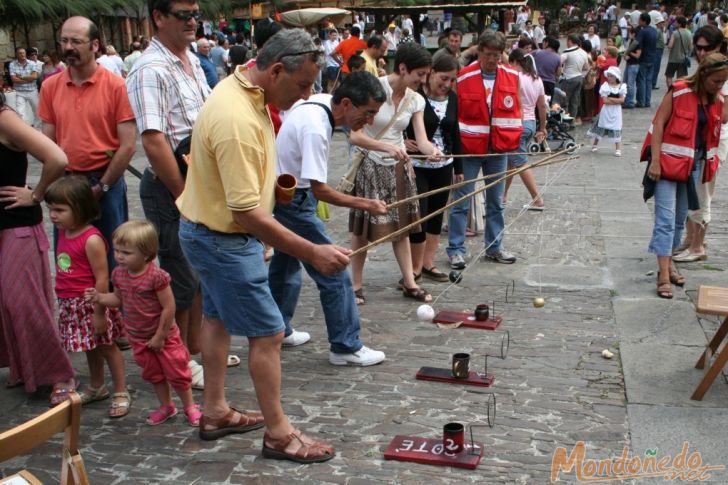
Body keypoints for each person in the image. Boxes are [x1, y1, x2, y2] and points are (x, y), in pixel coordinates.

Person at [177, 28, 344, 462]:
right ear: (274, 70)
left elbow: (241, 189)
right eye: (304, 85)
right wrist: (312, 251)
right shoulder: (236, 117)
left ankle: (214, 410)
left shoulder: (240, 88)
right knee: (269, 332)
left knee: (216, 318)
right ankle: (279, 434)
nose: (308, 94)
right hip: (222, 240)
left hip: (206, 232)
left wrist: (271, 189)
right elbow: (246, 215)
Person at [269, 71, 387, 364]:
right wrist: (367, 204)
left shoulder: (322, 102)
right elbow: (321, 191)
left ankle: (276, 329)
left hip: (290, 196)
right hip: (294, 201)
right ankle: (345, 346)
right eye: (368, 112)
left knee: (285, 266)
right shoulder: (316, 128)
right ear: (346, 103)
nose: (369, 121)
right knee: (333, 268)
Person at [126, 0, 213, 390]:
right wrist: (182, 196)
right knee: (178, 277)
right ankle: (176, 356)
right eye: (185, 15)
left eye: (196, 14)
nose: (193, 22)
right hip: (170, 187)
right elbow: (154, 140)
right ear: (159, 18)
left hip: (193, 181)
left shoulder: (190, 59)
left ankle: (194, 348)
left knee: (195, 275)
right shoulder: (150, 68)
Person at [40, 16, 137, 278]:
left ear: (95, 45)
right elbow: (47, 142)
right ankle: (75, 312)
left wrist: (102, 185)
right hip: (67, 183)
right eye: (64, 40)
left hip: (105, 182)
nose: (68, 47)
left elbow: (127, 146)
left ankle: (114, 315)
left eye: (76, 41)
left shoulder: (116, 86)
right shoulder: (50, 87)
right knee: (68, 259)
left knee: (114, 257)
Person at [349, 42, 442, 304]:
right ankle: (355, 284)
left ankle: (410, 282)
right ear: (402, 68)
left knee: (403, 228)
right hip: (371, 164)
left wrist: (431, 151)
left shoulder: (416, 99)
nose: (423, 80)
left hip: (399, 168)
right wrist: (385, 147)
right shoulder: (373, 88)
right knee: (362, 231)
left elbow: (421, 140)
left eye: (426, 74)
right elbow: (355, 135)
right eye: (419, 74)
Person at [85, 221, 202, 427]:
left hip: (163, 337)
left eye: (127, 252)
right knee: (154, 374)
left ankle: (189, 406)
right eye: (117, 251)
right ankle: (166, 406)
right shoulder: (119, 274)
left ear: (147, 254)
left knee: (177, 372)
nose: (120, 256)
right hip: (139, 337)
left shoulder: (156, 277)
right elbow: (118, 299)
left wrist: (160, 336)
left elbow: (169, 308)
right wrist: (100, 298)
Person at [0, 92, 77, 405]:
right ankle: (24, 368)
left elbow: (57, 158)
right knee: (5, 303)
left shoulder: (5, 118)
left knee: (22, 301)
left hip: (16, 224)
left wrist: (36, 194)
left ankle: (60, 373)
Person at [642, 53, 728, 298]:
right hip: (668, 164)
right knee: (665, 219)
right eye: (716, 81)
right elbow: (658, 124)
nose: (719, 86)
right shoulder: (679, 91)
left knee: (680, 219)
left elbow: (720, 122)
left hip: (693, 166)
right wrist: (655, 161)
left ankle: (669, 265)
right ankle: (663, 274)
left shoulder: (716, 99)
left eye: (723, 82)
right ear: (703, 75)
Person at [44, 176, 130, 416]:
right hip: (70, 303)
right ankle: (96, 385)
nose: (53, 215)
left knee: (107, 347)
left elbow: (102, 278)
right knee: (89, 347)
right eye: (51, 209)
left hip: (91, 304)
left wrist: (100, 313)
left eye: (59, 210)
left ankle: (121, 390)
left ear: (80, 208)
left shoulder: (91, 239)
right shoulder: (64, 232)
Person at [447, 30, 523, 270]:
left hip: (498, 149)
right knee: (462, 201)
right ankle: (456, 250)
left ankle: (495, 247)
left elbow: (516, 111)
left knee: (496, 202)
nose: (492, 59)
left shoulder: (512, 77)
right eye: (488, 54)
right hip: (469, 149)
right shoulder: (463, 77)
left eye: (497, 55)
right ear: (478, 51)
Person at [404, 54, 462, 282]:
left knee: (437, 214)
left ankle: (428, 263)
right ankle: (414, 268)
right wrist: (402, 140)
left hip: (444, 165)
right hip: (418, 164)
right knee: (419, 215)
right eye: (443, 78)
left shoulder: (453, 99)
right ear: (431, 73)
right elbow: (398, 122)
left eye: (452, 80)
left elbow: (455, 132)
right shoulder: (415, 97)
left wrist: (458, 166)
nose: (447, 84)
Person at [674, 25, 726, 263]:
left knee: (703, 193)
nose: (702, 53)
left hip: (713, 141)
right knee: (688, 190)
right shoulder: (702, 71)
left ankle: (698, 245)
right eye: (699, 48)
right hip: (692, 140)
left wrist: (706, 101)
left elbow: (723, 115)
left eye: (707, 48)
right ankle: (690, 239)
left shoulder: (721, 74)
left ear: (718, 47)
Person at [504, 49, 547, 209]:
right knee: (510, 162)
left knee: (520, 163)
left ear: (515, 62)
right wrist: (542, 127)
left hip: (518, 124)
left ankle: (537, 199)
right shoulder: (538, 80)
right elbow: (542, 106)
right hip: (531, 124)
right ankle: (503, 196)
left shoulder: (516, 78)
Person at [588, 66, 626, 156]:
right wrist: (616, 100)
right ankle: (594, 145)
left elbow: (622, 100)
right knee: (601, 126)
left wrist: (611, 99)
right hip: (607, 110)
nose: (609, 78)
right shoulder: (605, 86)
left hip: (616, 111)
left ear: (616, 77)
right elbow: (605, 101)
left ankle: (618, 148)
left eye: (611, 76)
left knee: (617, 127)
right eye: (608, 76)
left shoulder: (621, 87)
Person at [560, 34, 590, 119]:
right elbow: (586, 67)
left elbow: (559, 62)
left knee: (565, 100)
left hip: (569, 77)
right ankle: (572, 120)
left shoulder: (568, 51)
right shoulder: (584, 52)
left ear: (570, 41)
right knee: (575, 100)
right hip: (579, 77)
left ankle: (565, 120)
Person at [9, 48, 40, 126]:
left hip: (32, 91)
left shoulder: (32, 63)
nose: (22, 54)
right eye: (20, 53)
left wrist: (21, 77)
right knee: (20, 112)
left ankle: (37, 127)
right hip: (20, 92)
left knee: (37, 111)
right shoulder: (12, 64)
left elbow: (34, 77)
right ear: (17, 54)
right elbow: (14, 79)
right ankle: (26, 128)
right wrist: (28, 79)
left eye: (23, 53)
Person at [635, 13, 657, 108]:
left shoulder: (642, 31)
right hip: (652, 58)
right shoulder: (654, 30)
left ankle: (641, 101)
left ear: (644, 21)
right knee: (648, 81)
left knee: (641, 80)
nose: (638, 21)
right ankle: (647, 101)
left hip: (643, 58)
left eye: (639, 19)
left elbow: (637, 43)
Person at [664, 17, 692, 89]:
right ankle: (679, 91)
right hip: (683, 59)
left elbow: (670, 46)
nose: (674, 23)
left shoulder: (675, 33)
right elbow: (690, 47)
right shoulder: (689, 33)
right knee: (681, 78)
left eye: (676, 22)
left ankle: (671, 91)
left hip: (673, 58)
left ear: (679, 24)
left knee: (669, 76)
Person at [651, 14, 667, 90]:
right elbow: (654, 41)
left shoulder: (659, 30)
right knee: (656, 67)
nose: (663, 24)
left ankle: (653, 83)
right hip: (657, 50)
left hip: (658, 50)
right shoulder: (658, 31)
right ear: (658, 24)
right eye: (661, 23)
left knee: (655, 67)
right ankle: (653, 83)